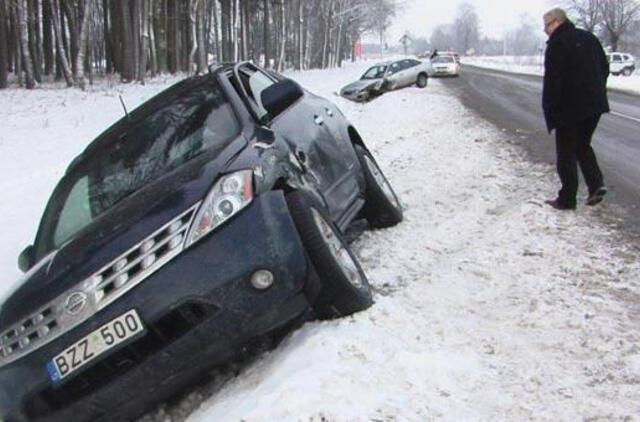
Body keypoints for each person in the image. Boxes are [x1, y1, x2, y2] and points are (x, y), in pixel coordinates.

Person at [542, 8, 609, 210]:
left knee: (565, 152)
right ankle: (596, 185)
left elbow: (554, 81)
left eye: (546, 25)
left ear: (556, 22)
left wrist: (551, 110)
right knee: (582, 144)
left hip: (569, 108)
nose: (545, 31)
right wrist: (595, 89)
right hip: (595, 105)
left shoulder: (557, 44)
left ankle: (567, 198)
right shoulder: (589, 38)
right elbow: (604, 68)